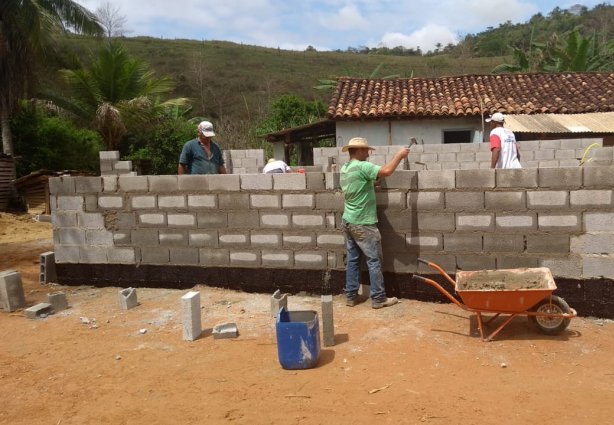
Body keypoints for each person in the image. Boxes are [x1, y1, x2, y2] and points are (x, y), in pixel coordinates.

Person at [340, 137, 410, 309]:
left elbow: (360, 184)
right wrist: (400, 156)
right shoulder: (363, 166)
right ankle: (378, 298)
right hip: (363, 222)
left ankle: (351, 296)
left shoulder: (346, 168)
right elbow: (386, 171)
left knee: (353, 260)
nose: (368, 152)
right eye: (365, 150)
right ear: (357, 151)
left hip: (349, 220)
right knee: (374, 260)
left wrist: (371, 185)